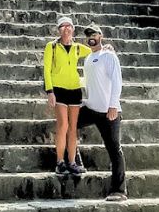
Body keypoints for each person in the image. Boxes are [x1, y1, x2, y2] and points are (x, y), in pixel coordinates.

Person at [79, 23, 126, 201]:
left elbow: (117, 81)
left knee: (114, 149)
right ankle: (75, 161)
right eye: (88, 34)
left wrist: (113, 105)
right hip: (91, 108)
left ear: (101, 36)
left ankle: (119, 191)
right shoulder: (88, 59)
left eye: (94, 33)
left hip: (108, 111)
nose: (91, 36)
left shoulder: (109, 55)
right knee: (67, 125)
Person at [42, 15, 90, 176]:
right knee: (63, 125)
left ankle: (72, 162)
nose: (66, 29)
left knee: (73, 128)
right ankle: (60, 162)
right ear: (58, 29)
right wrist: (50, 92)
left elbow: (93, 50)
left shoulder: (77, 48)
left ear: (73, 29)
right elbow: (47, 69)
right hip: (59, 89)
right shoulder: (52, 46)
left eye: (69, 26)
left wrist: (106, 47)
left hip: (75, 89)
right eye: (62, 26)